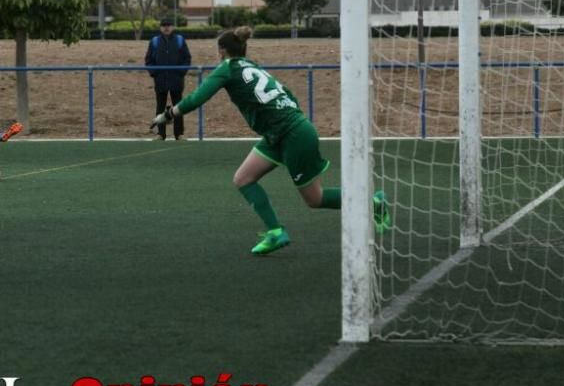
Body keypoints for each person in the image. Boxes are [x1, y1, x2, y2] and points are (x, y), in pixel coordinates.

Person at [150, 25, 390, 255]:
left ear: (222, 51)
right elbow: (290, 95)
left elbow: (197, 97)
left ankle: (373, 203)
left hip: (292, 134)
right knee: (243, 179)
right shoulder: (253, 67)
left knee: (314, 199)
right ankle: (275, 232)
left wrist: (168, 114)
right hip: (281, 133)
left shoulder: (228, 67)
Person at [144, 17, 191, 140]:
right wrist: (155, 73)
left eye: (169, 25)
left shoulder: (180, 40)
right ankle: (160, 134)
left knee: (178, 107)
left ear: (173, 27)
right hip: (160, 80)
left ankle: (179, 134)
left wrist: (181, 72)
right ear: (160, 27)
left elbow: (187, 58)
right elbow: (148, 60)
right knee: (160, 106)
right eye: (164, 25)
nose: (166, 27)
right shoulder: (154, 41)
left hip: (176, 79)